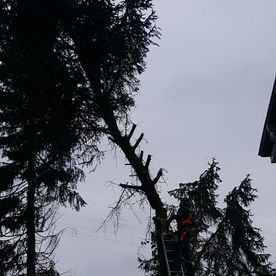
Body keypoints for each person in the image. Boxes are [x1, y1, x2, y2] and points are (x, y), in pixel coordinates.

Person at [166, 198, 195, 276]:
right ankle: (190, 272)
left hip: (183, 233)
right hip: (188, 233)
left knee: (178, 249)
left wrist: (168, 223)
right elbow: (193, 224)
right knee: (186, 252)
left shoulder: (182, 210)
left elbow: (176, 217)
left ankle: (176, 268)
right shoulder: (190, 212)